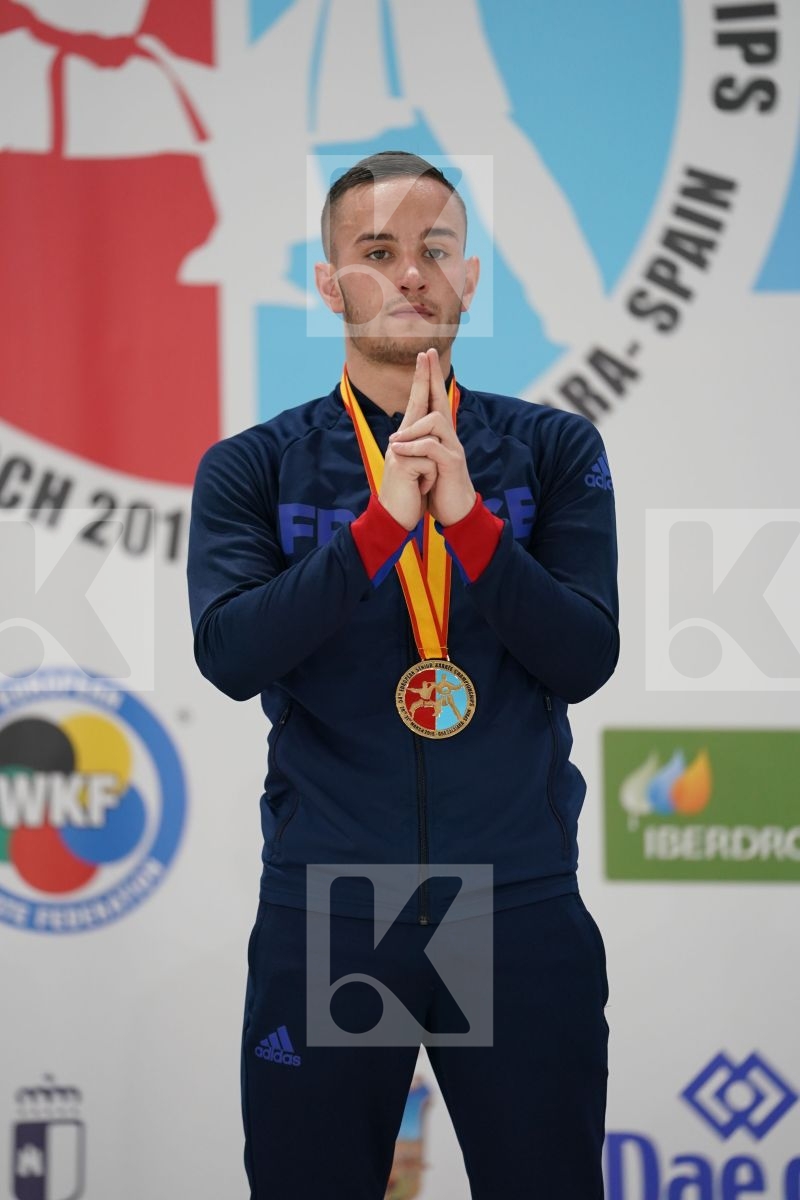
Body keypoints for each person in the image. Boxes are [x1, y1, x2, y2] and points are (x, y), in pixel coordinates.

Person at [188, 150, 619, 1199]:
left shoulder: (554, 450)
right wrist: (378, 529)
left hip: (511, 903)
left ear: (469, 277)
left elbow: (584, 656)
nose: (411, 273)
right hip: (334, 907)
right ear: (329, 283)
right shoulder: (253, 465)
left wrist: (469, 523)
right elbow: (231, 654)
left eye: (435, 250)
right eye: (377, 251)